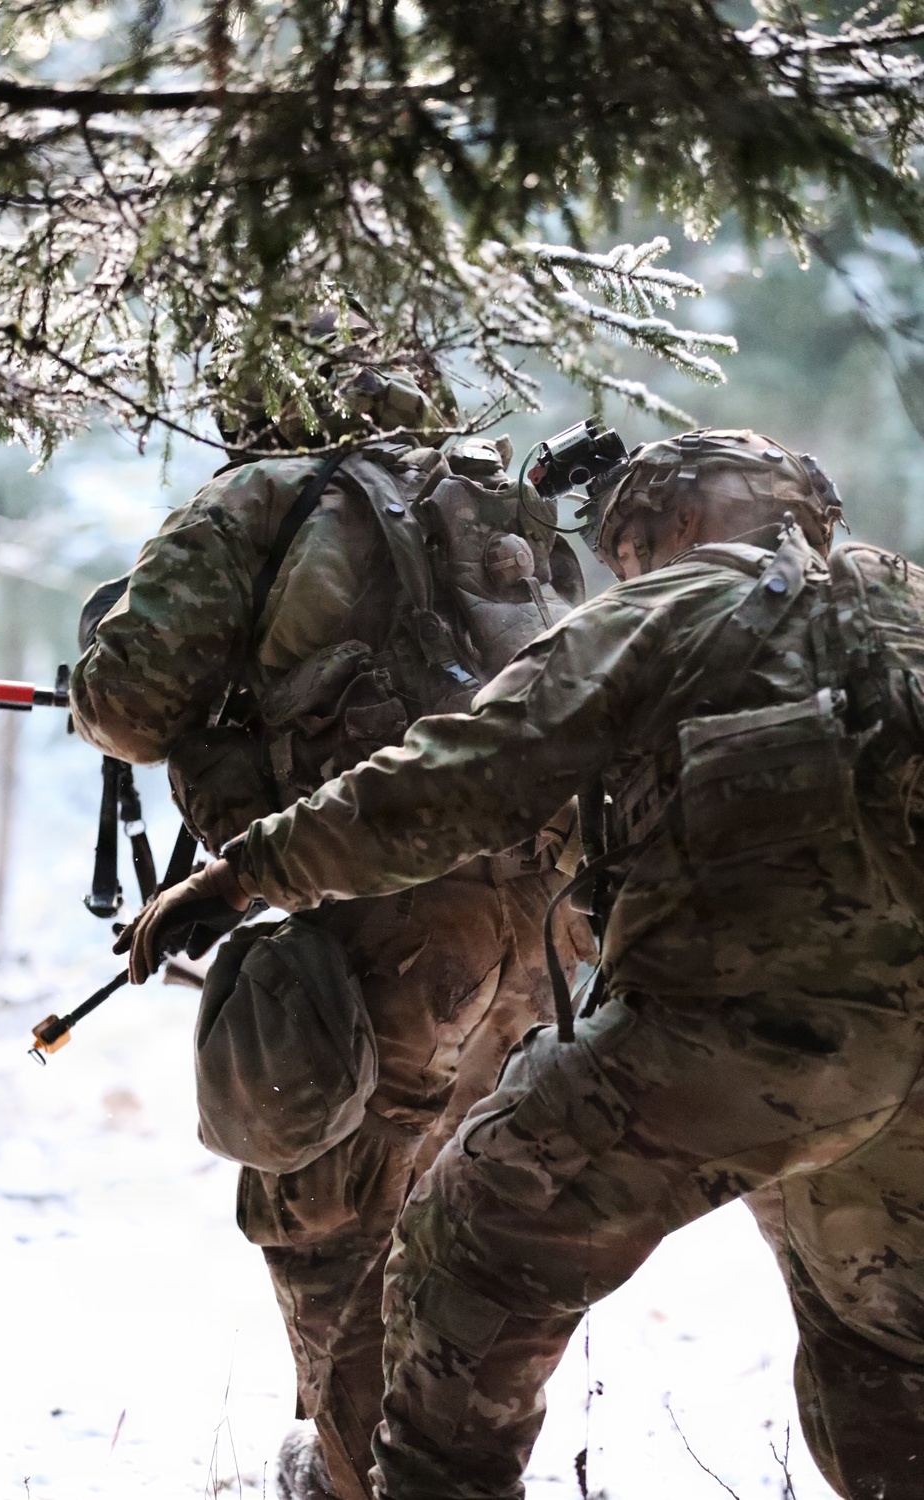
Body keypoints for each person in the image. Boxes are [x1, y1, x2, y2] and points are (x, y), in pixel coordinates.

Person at [126, 427, 924, 1500]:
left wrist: (243, 875)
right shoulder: (910, 611)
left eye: (629, 536)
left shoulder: (666, 610)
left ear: (677, 522)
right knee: (887, 1347)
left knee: (469, 1245)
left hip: (733, 1039)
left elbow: (455, 779)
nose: (621, 561)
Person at [69, 312, 590, 1500]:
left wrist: (103, 665)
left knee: (333, 1214)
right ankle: (452, 1466)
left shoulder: (263, 497)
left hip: (373, 909)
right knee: (477, 1204)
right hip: (543, 919)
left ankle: (361, 1479)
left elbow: (131, 702)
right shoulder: (490, 501)